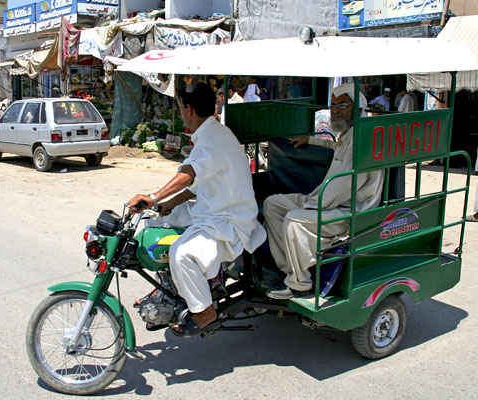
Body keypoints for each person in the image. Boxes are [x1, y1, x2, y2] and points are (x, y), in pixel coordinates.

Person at [128, 82, 266, 336]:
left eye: (181, 107)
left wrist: (153, 196)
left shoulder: (212, 140)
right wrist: (170, 203)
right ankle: (168, 287)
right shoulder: (211, 134)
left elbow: (191, 174)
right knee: (154, 225)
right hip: (213, 208)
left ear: (188, 109)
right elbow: (202, 181)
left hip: (229, 220)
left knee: (181, 253)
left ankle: (204, 313)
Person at [263, 83, 385, 299]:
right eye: (333, 105)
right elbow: (335, 148)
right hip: (324, 201)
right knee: (272, 204)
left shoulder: (362, 137)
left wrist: (311, 204)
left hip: (347, 212)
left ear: (358, 110)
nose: (336, 110)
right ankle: (288, 269)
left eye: (343, 105)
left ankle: (299, 283)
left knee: (294, 219)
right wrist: (310, 140)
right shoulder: (349, 134)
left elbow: (344, 184)